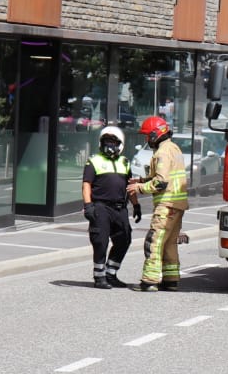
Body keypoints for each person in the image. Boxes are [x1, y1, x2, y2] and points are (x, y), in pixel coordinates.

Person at [130, 115, 187, 292]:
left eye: (147, 136)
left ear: (155, 135)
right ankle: (171, 280)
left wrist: (139, 187)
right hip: (178, 205)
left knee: (154, 241)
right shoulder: (174, 148)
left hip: (166, 204)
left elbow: (161, 182)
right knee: (170, 243)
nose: (147, 140)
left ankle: (149, 281)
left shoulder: (161, 152)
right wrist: (141, 179)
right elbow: (166, 176)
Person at [80, 125, 139, 289]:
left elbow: (130, 185)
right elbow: (86, 185)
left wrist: (136, 205)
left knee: (124, 239)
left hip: (120, 209)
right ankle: (99, 277)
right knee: (100, 241)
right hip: (101, 207)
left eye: (113, 142)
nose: (110, 145)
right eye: (107, 142)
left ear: (120, 144)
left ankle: (111, 273)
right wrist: (88, 206)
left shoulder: (125, 163)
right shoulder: (94, 161)